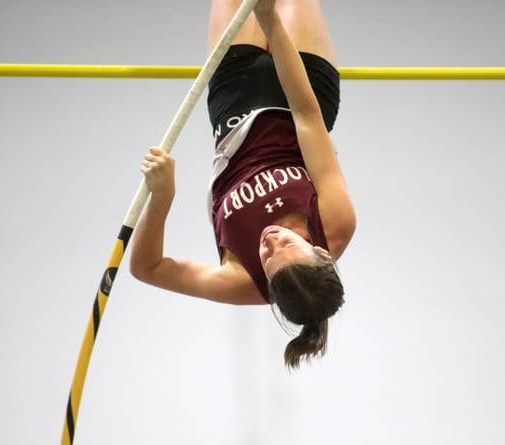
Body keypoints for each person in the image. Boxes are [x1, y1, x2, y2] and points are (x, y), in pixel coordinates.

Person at [129, 0, 356, 369]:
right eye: (286, 241)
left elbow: (147, 268)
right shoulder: (336, 224)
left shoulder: (242, 281)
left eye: (267, 256)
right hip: (304, 86)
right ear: (323, 254)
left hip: (234, 94)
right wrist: (268, 20)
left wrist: (163, 196)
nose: (269, 240)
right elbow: (305, 113)